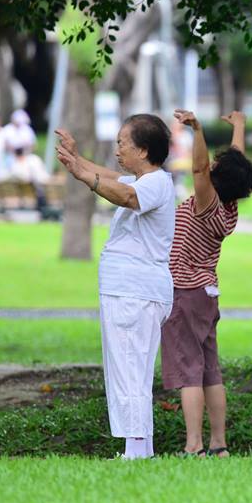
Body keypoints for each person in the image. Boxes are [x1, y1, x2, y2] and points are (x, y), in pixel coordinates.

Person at [56, 114, 175, 459]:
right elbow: (112, 178)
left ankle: (136, 450)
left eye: (123, 143)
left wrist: (83, 175)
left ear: (143, 150)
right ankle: (140, 447)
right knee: (128, 367)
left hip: (135, 293)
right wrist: (77, 162)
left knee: (129, 368)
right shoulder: (145, 179)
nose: (118, 149)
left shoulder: (153, 184)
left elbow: (124, 195)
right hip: (131, 291)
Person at [161, 109, 252, 458]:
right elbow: (236, 166)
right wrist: (239, 128)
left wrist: (198, 130)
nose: (210, 168)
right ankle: (219, 444)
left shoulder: (207, 203)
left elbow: (200, 168)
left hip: (186, 292)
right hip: (207, 293)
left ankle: (193, 445)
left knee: (189, 372)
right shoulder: (228, 207)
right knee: (210, 371)